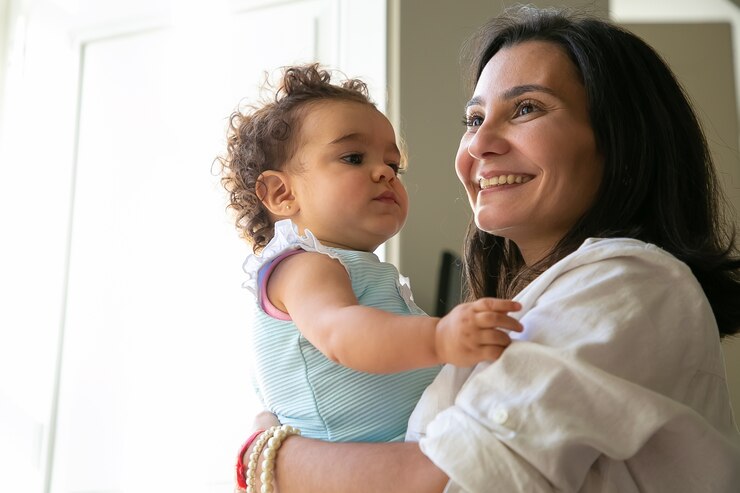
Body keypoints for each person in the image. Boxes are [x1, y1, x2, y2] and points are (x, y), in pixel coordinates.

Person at [234, 6, 740, 493]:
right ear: (281, 194)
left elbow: (445, 483)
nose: (478, 145)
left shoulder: (630, 283)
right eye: (474, 119)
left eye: (526, 108)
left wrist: (264, 457)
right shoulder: (306, 268)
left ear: (621, 141)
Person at [217, 64, 523, 456]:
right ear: (280, 194)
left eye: (393, 165)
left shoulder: (349, 266)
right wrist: (440, 337)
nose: (384, 172)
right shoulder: (303, 265)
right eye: (353, 157)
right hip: (352, 462)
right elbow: (341, 333)